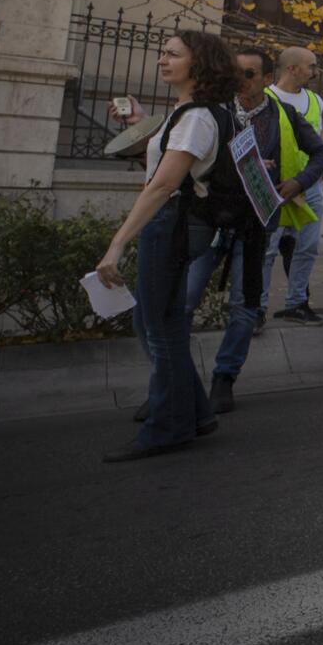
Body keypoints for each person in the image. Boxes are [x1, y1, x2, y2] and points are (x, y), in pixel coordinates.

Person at [95, 31, 240, 462]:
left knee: (156, 327)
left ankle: (167, 427)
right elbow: (161, 164)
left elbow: (162, 183)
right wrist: (139, 123)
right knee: (163, 323)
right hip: (179, 223)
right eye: (162, 52)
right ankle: (194, 413)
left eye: (173, 54)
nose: (162, 60)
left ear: (200, 64)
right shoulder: (190, 112)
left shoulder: (196, 116)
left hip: (173, 223)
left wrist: (116, 245)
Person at [181, 47, 323, 413]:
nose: (240, 80)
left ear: (267, 80)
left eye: (249, 74)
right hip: (211, 223)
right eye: (236, 73)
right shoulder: (213, 113)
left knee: (244, 307)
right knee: (183, 300)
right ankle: (175, 380)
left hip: (256, 224)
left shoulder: (285, 114)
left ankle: (224, 379)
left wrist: (298, 181)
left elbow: (322, 154)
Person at [266, 45, 323, 327]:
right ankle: (257, 306)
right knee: (267, 249)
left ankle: (297, 303)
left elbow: (318, 144)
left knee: (308, 246)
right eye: (312, 66)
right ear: (292, 68)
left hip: (309, 186)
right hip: (276, 186)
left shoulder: (316, 101)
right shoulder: (265, 98)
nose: (316, 71)